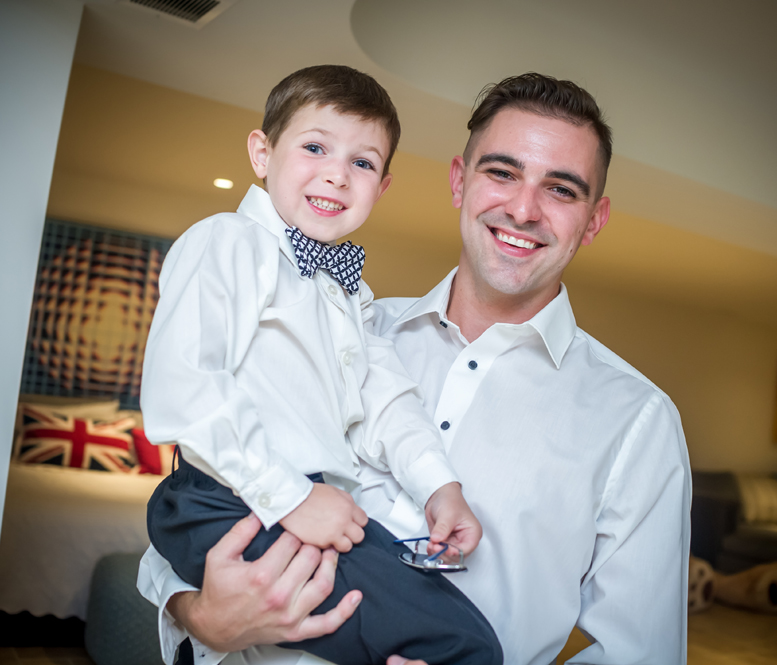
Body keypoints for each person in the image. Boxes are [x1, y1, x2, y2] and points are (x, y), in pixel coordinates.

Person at [139, 72, 692, 665]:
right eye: (502, 172)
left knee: (471, 649)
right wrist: (204, 618)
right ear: (459, 181)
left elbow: (641, 654)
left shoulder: (639, 421)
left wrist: (441, 488)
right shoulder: (354, 316)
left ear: (595, 218)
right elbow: (189, 496)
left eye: (561, 189)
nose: (524, 208)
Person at [140, 64, 502, 665]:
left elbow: (387, 402)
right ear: (262, 153)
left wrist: (442, 488)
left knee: (456, 632)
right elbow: (186, 393)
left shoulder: (351, 294)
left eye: (362, 162)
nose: (337, 173)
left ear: (382, 187)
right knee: (462, 646)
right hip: (232, 499)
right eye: (315, 147)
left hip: (310, 510)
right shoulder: (226, 241)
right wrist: (292, 498)